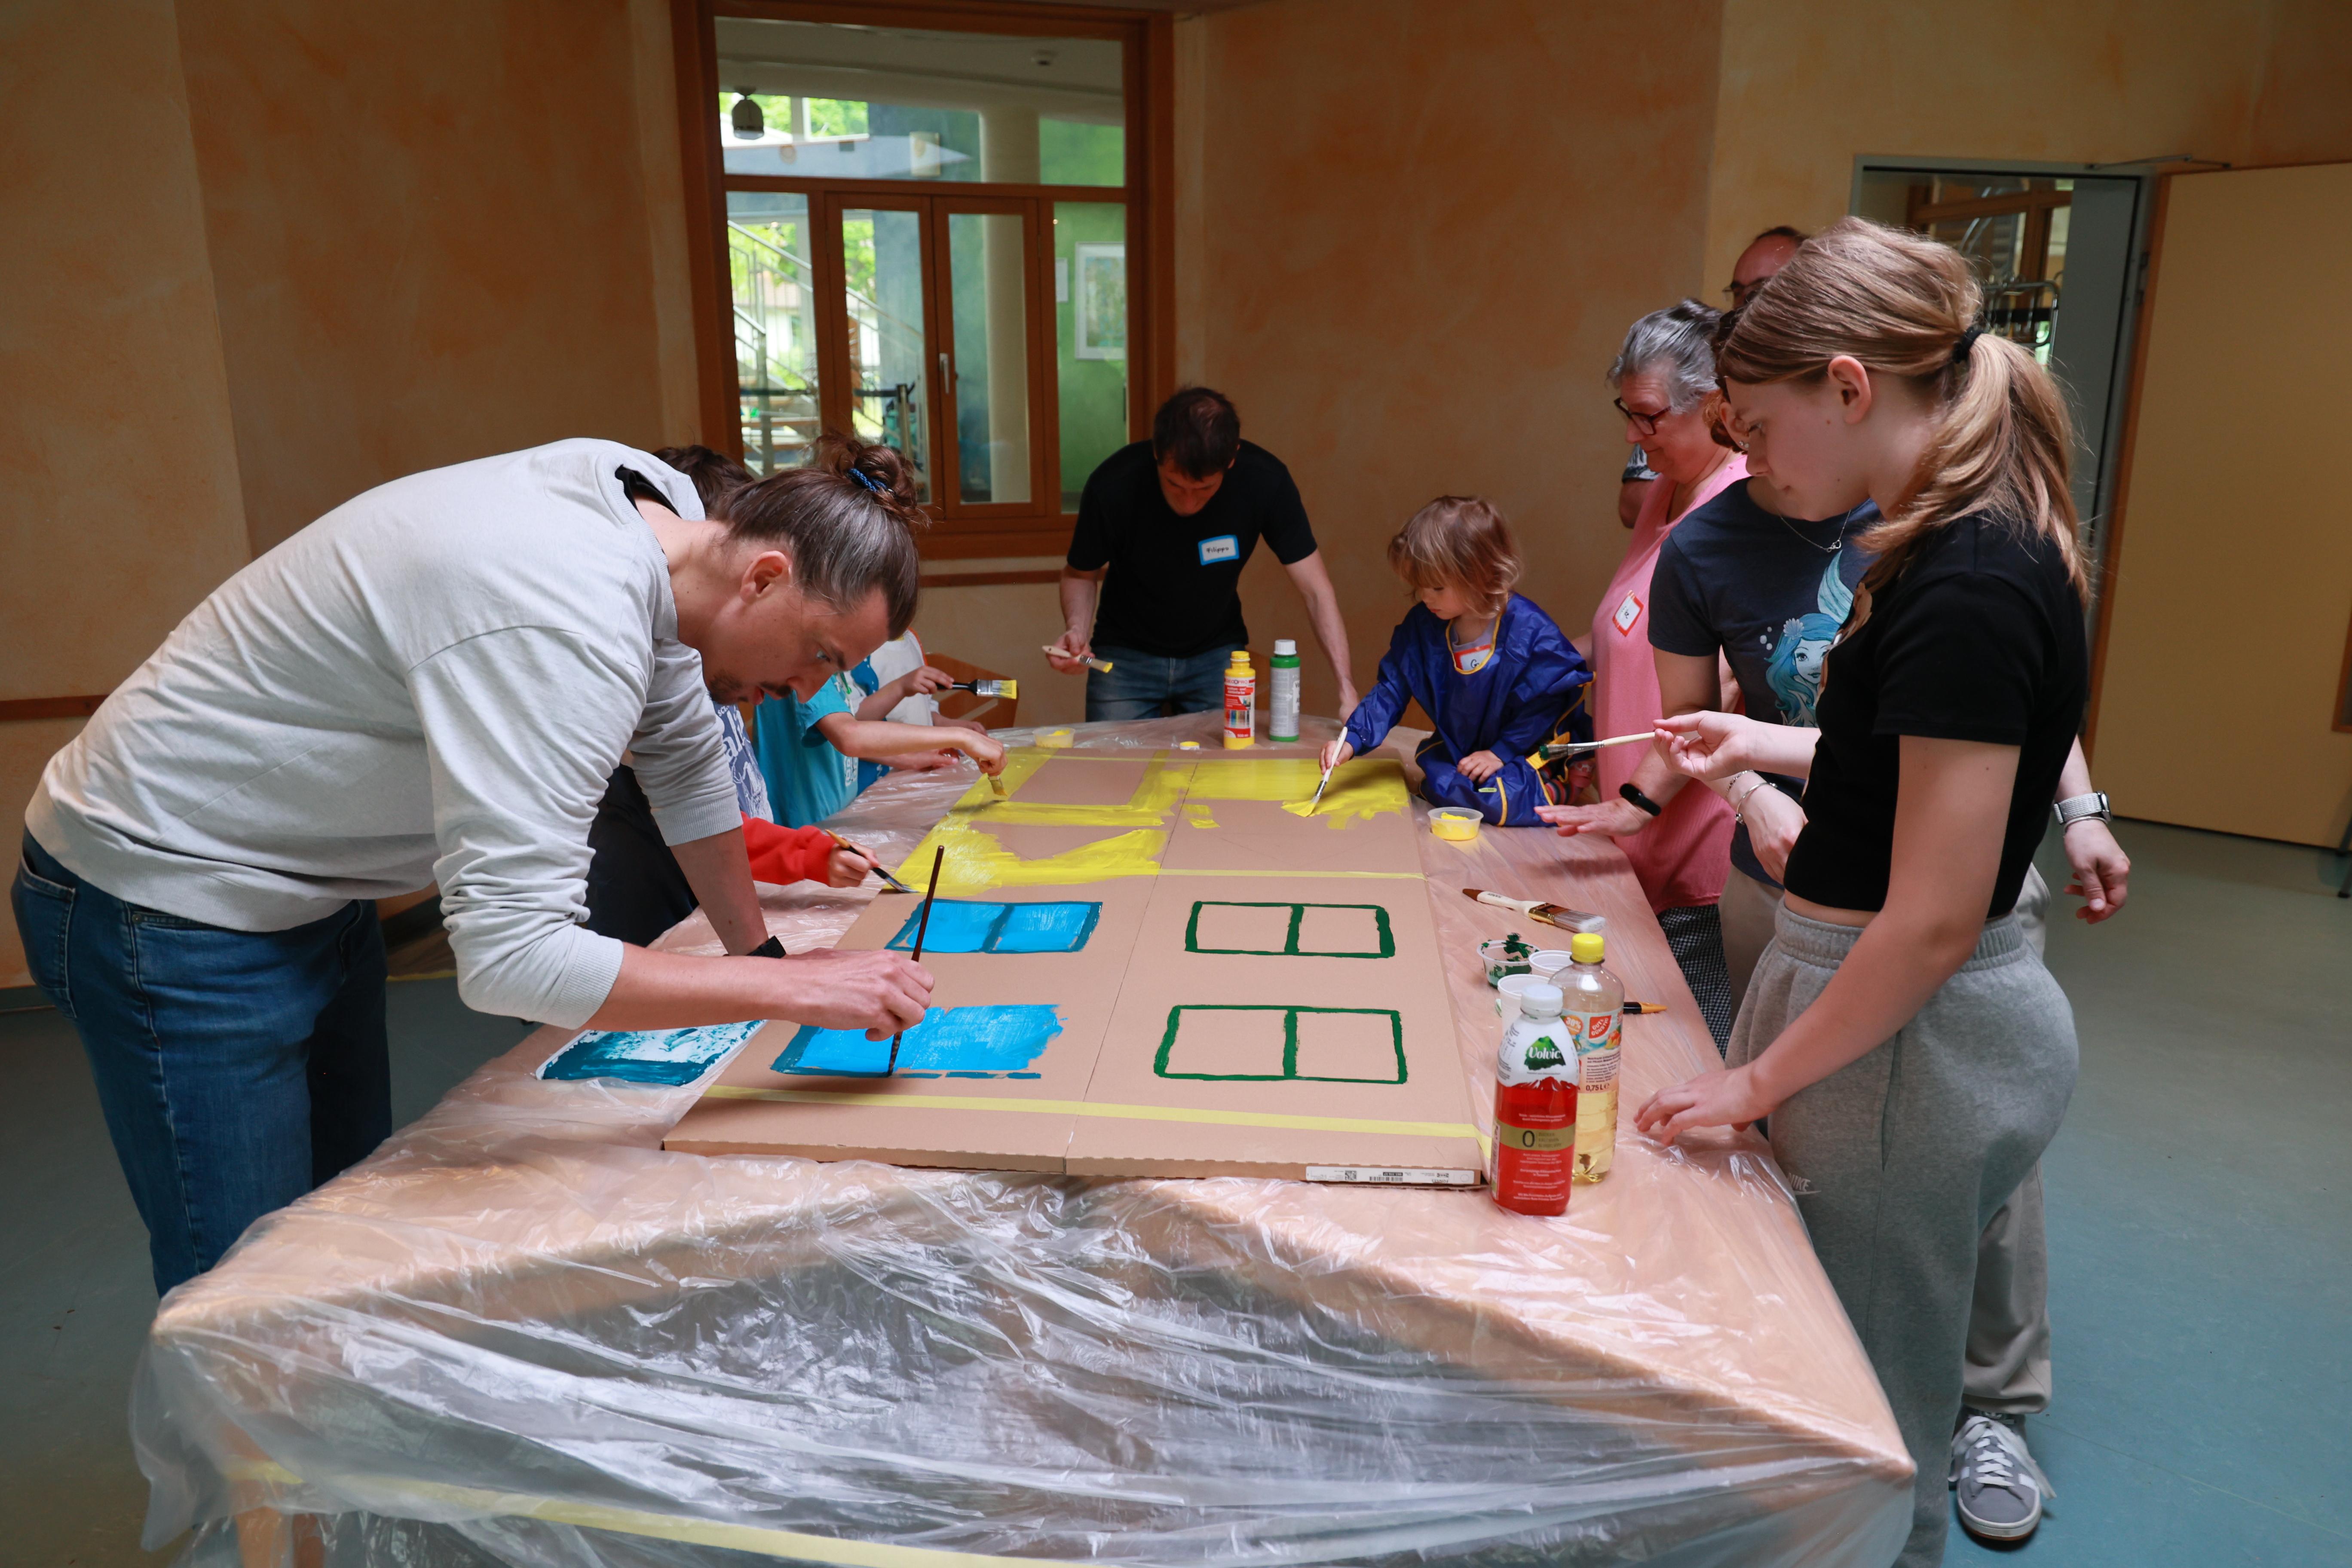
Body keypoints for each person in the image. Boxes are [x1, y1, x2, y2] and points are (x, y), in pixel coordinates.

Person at [11, 435, 952, 1294]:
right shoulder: (566, 610)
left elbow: (683, 759)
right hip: (165, 891)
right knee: (244, 1288)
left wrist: (761, 958)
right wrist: (792, 991)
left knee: (335, 1235)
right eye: (820, 653)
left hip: (308, 883)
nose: (809, 688)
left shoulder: (666, 519)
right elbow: (514, 960)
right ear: (765, 576)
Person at [1635, 217, 2092, 1568]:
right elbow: (1921, 760)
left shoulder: (1969, 577)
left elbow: (1935, 915)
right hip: (1888, 1024)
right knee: (1849, 1367)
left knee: (1868, 1417)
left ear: (1847, 387)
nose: (1753, 460)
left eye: (1760, 428)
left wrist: (1754, 1082)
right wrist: (1762, 743)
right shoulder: (1952, 542)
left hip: (1907, 1049)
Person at [1540, 301, 1747, 1047]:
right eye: (1626, 413)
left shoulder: (1741, 506)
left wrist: (1636, 800)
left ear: (1716, 404)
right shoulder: (1663, 491)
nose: (1633, 435)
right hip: (1633, 837)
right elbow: (1621, 636)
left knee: (1697, 1058)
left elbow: (1722, 688)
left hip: (1694, 851)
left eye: (1650, 416)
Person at [1051, 387, 1357, 721]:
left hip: (1217, 656)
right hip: (1122, 660)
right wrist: (1077, 630)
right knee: (1111, 755)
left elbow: (1316, 589)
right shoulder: (1113, 484)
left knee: (1228, 755)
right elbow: (1079, 574)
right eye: (1174, 484)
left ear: (1232, 459)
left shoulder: (1265, 481)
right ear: (1157, 452)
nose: (1188, 503)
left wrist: (1346, 687)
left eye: (1204, 488)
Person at [1317, 498, 1589, 824]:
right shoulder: (1424, 625)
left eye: (1437, 587)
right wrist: (1351, 740)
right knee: (1440, 781)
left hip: (1525, 747)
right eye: (1419, 587)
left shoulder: (1529, 629)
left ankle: (1559, 786)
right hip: (1466, 752)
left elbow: (1545, 706)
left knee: (1500, 799)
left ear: (1481, 575)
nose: (1425, 598)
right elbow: (1391, 690)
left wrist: (1500, 753)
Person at [1609, 228, 1808, 531]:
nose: (1747, 306)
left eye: (1762, 291)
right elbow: (1632, 502)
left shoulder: (1820, 387)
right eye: (1739, 293)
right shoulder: (1709, 369)